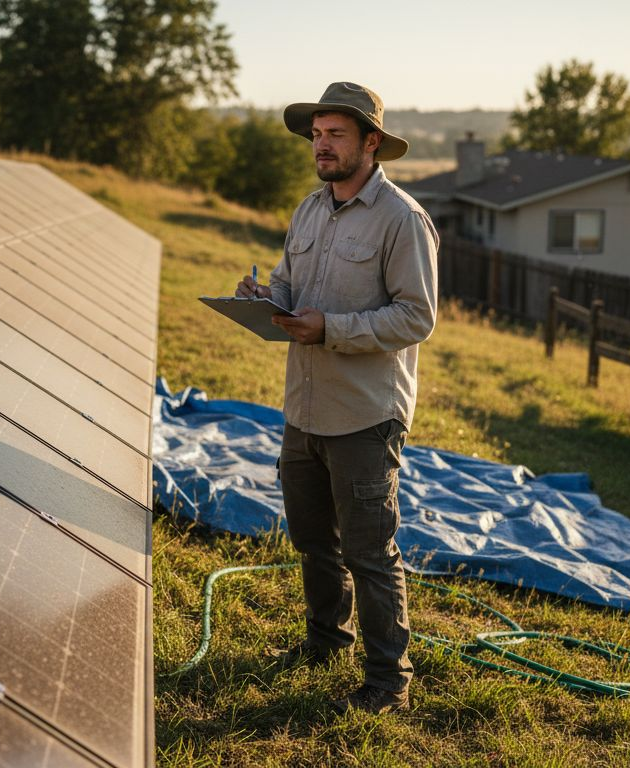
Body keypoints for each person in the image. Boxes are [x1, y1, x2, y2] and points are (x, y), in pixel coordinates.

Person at [235, 81, 439, 715]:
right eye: (316, 135)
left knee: (370, 551)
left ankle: (388, 680)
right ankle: (327, 643)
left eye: (336, 135)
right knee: (312, 539)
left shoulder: (402, 219)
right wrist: (264, 300)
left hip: (364, 414)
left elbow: (417, 317)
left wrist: (334, 328)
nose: (321, 146)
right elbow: (291, 289)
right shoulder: (308, 210)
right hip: (304, 407)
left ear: (371, 143)